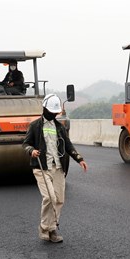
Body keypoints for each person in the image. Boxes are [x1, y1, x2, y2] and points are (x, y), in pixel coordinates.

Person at [22, 94, 88, 243]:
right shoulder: (35, 126)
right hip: (41, 167)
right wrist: (31, 150)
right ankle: (45, 227)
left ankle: (52, 229)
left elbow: (69, 145)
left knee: (59, 200)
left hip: (58, 168)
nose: (53, 115)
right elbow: (25, 144)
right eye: (51, 112)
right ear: (44, 109)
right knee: (49, 197)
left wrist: (79, 159)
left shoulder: (59, 127)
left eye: (55, 113)